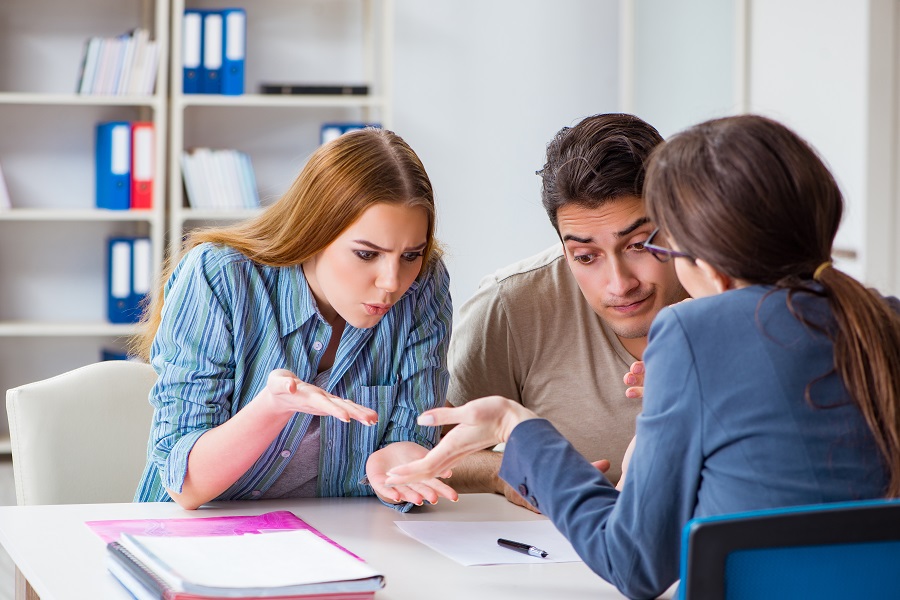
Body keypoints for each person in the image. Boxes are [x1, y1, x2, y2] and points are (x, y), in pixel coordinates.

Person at [385, 114, 900, 598]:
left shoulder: (692, 329)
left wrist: (514, 426)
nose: (623, 279)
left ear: (708, 261)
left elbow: (633, 565)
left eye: (656, 244)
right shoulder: (881, 317)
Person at [132, 128, 457, 512]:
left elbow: (411, 433)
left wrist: (400, 461)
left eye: (410, 255)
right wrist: (273, 407)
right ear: (316, 232)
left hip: (343, 542)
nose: (392, 282)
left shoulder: (424, 284)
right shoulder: (218, 276)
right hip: (195, 539)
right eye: (367, 254)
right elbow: (185, 484)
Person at [445, 113, 687, 504]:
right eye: (586, 256)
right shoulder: (511, 306)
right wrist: (507, 475)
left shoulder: (737, 296)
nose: (620, 283)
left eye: (639, 245)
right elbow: (438, 447)